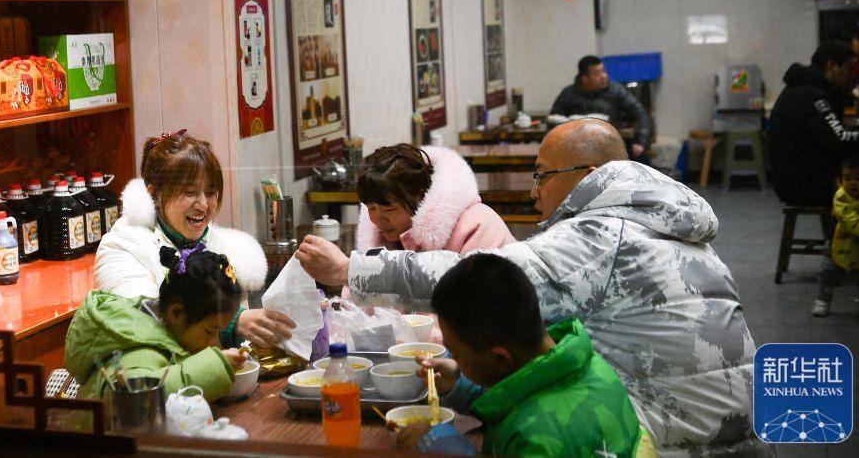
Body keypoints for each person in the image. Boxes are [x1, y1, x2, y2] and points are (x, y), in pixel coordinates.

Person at [297, 119, 767, 456]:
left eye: (541, 175)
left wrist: (351, 269)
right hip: (728, 430)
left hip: (678, 443)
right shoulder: (663, 223)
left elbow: (476, 278)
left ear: (587, 176)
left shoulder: (601, 237)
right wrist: (464, 388)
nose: (532, 190)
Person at [393, 254, 648, 457]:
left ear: (500, 359)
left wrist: (443, 447)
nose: (455, 360)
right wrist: (461, 382)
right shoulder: (588, 367)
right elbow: (523, 391)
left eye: (457, 354)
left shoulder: (533, 438)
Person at [95, 131, 295, 347]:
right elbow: (145, 320)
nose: (203, 205)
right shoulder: (121, 246)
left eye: (210, 192)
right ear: (154, 195)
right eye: (190, 192)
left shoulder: (218, 244)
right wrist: (232, 322)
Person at [65, 245, 248, 400]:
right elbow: (138, 400)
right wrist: (215, 367)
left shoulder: (167, 330)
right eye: (209, 331)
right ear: (176, 313)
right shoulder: (140, 350)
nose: (214, 342)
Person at [355, 144, 514, 255]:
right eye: (371, 208)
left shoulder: (477, 227)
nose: (378, 219)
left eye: (388, 209)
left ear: (420, 196)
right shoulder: (377, 239)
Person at [768, 40, 859, 207]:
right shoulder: (812, 96)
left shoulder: (806, 88)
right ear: (831, 66)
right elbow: (840, 140)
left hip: (801, 176)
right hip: (802, 184)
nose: (852, 77)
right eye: (849, 70)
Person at [550, 55, 653, 163]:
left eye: (604, 71)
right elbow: (554, 121)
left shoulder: (616, 91)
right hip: (577, 148)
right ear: (585, 79)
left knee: (643, 161)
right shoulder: (568, 94)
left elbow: (640, 113)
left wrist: (641, 141)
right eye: (597, 74)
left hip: (612, 144)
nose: (604, 76)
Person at [813, 156, 859, 317]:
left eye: (858, 178)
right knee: (828, 273)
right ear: (840, 180)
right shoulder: (841, 197)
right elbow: (851, 219)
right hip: (838, 244)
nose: (852, 183)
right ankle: (823, 300)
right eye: (847, 178)